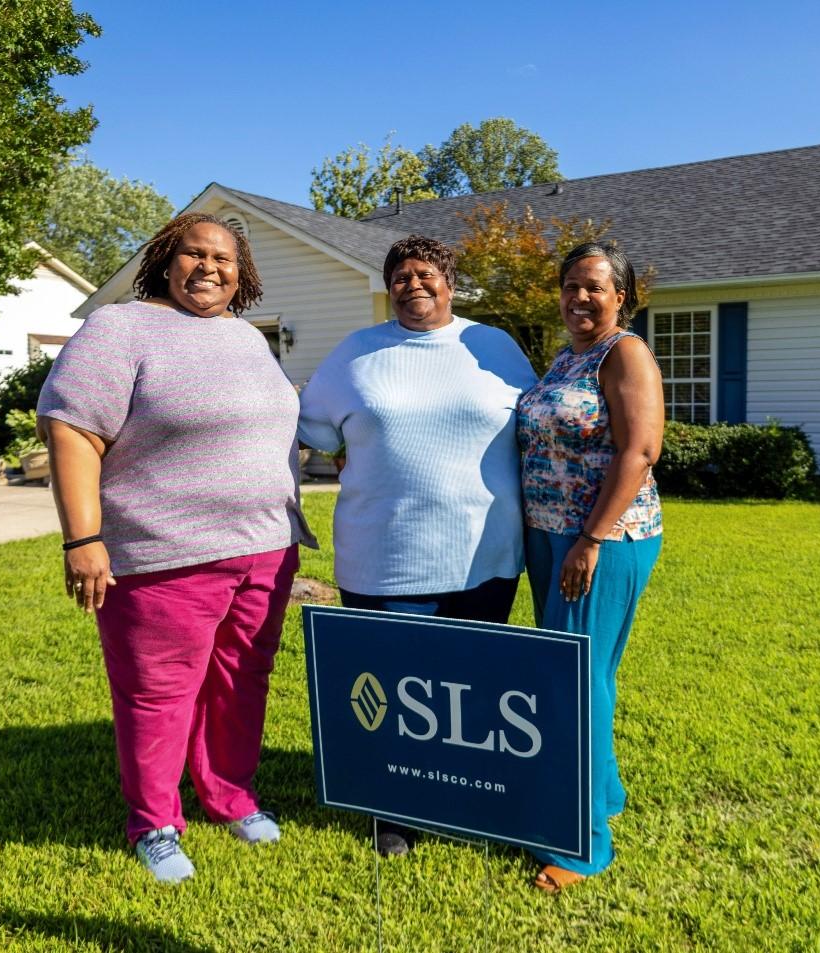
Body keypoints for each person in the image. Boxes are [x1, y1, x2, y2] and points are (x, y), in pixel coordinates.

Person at [37, 212, 315, 884]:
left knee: (239, 681)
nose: (210, 267)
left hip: (266, 549)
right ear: (166, 259)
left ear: (241, 276)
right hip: (164, 554)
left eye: (225, 259)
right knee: (158, 693)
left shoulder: (246, 337)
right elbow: (72, 428)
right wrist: (82, 538)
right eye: (195, 253)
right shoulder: (121, 326)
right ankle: (155, 822)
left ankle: (229, 794)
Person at [297, 234, 537, 857]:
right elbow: (309, 428)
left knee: (473, 685)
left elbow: (538, 428)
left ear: (450, 282)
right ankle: (395, 809)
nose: (413, 284)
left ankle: (469, 794)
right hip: (385, 555)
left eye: (426, 273)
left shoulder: (494, 347)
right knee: (397, 689)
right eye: (400, 275)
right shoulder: (356, 353)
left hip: (483, 553)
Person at [516, 240, 664, 893]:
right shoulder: (565, 357)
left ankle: (583, 843)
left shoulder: (624, 352)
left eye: (594, 287)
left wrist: (591, 537)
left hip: (603, 538)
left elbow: (641, 449)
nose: (580, 297)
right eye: (571, 286)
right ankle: (602, 792)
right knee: (584, 672)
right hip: (552, 537)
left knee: (572, 682)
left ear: (620, 296)